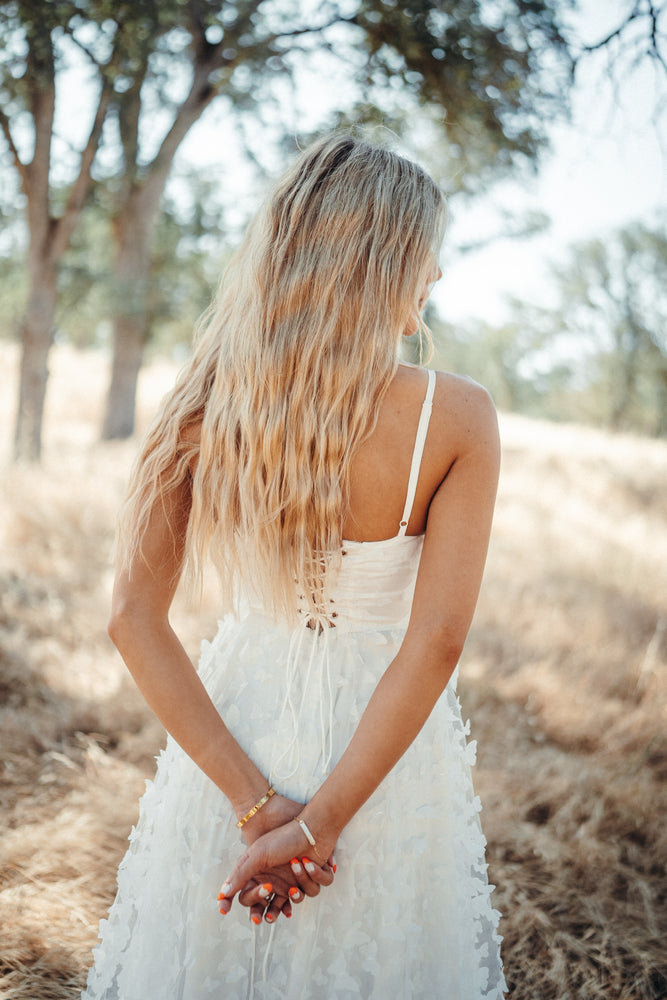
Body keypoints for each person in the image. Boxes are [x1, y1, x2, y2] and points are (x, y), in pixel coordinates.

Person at [82, 133, 506, 999]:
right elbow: (434, 642)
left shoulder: (203, 401)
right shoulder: (457, 417)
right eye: (428, 252)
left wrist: (257, 808)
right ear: (386, 258)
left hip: (235, 731)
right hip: (381, 749)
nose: (436, 276)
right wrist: (320, 824)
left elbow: (132, 619)